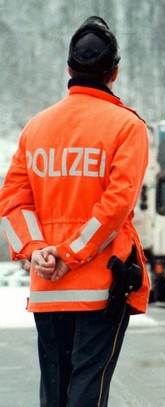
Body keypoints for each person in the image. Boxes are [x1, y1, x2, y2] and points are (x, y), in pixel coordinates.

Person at [0, 16, 150, 407]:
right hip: (102, 286)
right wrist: (70, 255)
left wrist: (36, 251)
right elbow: (115, 206)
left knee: (54, 393)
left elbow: (12, 202)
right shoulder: (126, 127)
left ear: (69, 70)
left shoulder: (37, 128)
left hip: (48, 290)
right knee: (88, 390)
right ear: (114, 72)